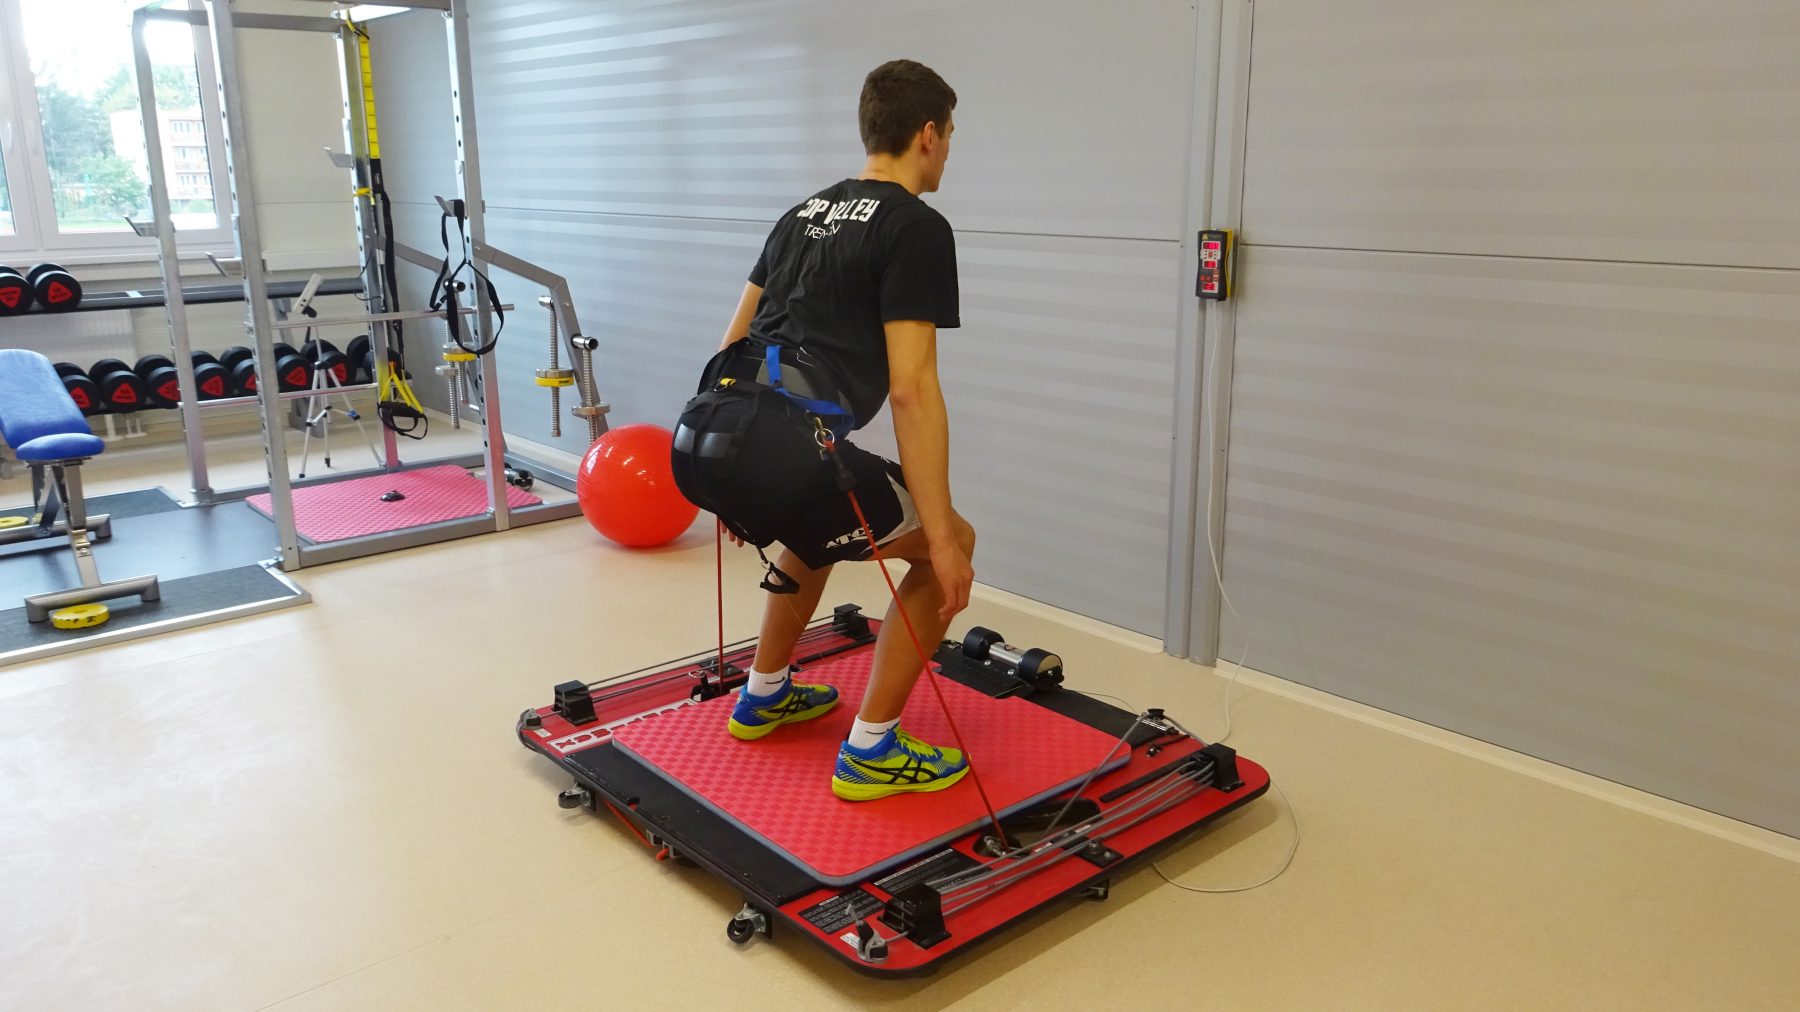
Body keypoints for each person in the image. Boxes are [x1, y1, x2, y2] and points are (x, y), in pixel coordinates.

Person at [671, 59, 975, 802]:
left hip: (703, 435)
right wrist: (937, 532)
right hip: (775, 442)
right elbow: (911, 390)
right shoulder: (916, 227)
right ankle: (872, 749)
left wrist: (739, 477)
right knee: (952, 548)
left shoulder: (801, 213)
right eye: (952, 135)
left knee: (823, 519)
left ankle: (765, 693)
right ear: (927, 135)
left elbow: (728, 347)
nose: (950, 150)